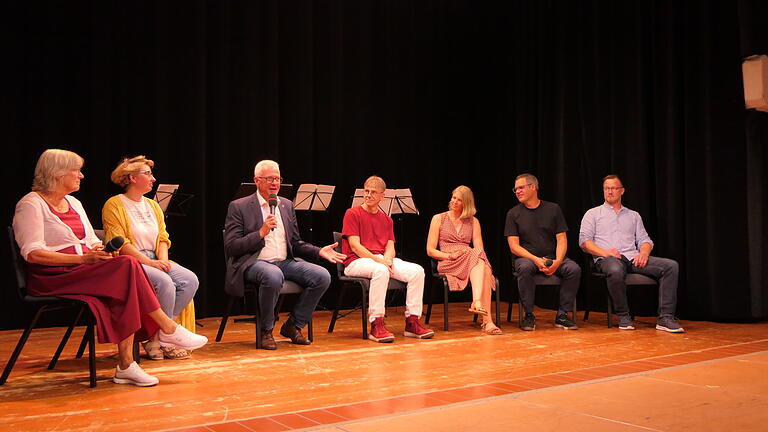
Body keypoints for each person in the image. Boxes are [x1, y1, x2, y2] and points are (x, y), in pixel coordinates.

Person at [12, 149, 208, 387]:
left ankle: (129, 365)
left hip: (84, 270)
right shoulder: (31, 204)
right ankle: (165, 329)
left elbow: (91, 240)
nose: (81, 176)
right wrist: (83, 260)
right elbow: (33, 254)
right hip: (55, 275)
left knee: (126, 277)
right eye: (76, 171)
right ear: (57, 173)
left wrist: (98, 250)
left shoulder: (73, 202)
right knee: (127, 264)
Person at [223, 160, 345, 350]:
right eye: (270, 178)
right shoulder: (239, 206)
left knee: (321, 275)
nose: (275, 183)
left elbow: (295, 243)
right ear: (257, 180)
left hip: (285, 262)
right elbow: (231, 247)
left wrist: (319, 251)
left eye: (277, 178)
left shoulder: (286, 205)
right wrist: (260, 233)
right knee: (273, 275)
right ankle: (266, 330)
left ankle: (293, 325)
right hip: (254, 262)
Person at [102, 155, 199, 360]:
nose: (153, 179)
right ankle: (158, 337)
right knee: (165, 283)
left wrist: (161, 260)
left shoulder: (153, 205)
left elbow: (163, 237)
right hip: (132, 261)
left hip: (155, 257)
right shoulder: (114, 204)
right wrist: (150, 263)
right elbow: (120, 242)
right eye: (148, 174)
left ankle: (161, 336)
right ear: (132, 178)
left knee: (189, 280)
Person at [579, 174, 684, 333]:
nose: (610, 192)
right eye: (606, 188)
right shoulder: (593, 214)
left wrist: (644, 253)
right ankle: (623, 315)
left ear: (622, 191)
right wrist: (605, 253)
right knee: (615, 269)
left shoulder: (633, 215)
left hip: (632, 258)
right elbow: (584, 242)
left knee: (670, 266)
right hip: (607, 259)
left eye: (613, 188)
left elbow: (645, 240)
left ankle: (665, 318)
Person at [342, 175, 435, 343]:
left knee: (417, 271)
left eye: (373, 192)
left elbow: (390, 246)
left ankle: (412, 322)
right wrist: (380, 262)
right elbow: (355, 246)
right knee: (381, 270)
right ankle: (376, 324)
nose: (368, 195)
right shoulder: (352, 213)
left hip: (380, 260)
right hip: (355, 261)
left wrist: (388, 259)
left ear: (382, 196)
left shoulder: (387, 219)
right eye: (366, 191)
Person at [504, 173, 581, 331]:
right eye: (515, 189)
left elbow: (562, 239)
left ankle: (562, 315)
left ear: (533, 187)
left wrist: (558, 261)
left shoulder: (553, 209)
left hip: (553, 257)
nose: (517, 191)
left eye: (521, 188)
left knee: (573, 269)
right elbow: (514, 246)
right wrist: (535, 259)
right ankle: (529, 315)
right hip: (526, 258)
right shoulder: (513, 213)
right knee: (524, 268)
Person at [426, 186, 502, 335]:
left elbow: (480, 250)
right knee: (483, 266)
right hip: (448, 261)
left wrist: (470, 254)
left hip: (469, 262)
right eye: (453, 197)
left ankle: (486, 318)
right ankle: (485, 317)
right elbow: (430, 250)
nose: (454, 201)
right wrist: (450, 256)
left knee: (484, 267)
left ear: (466, 203)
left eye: (459, 200)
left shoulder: (474, 222)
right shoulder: (439, 218)